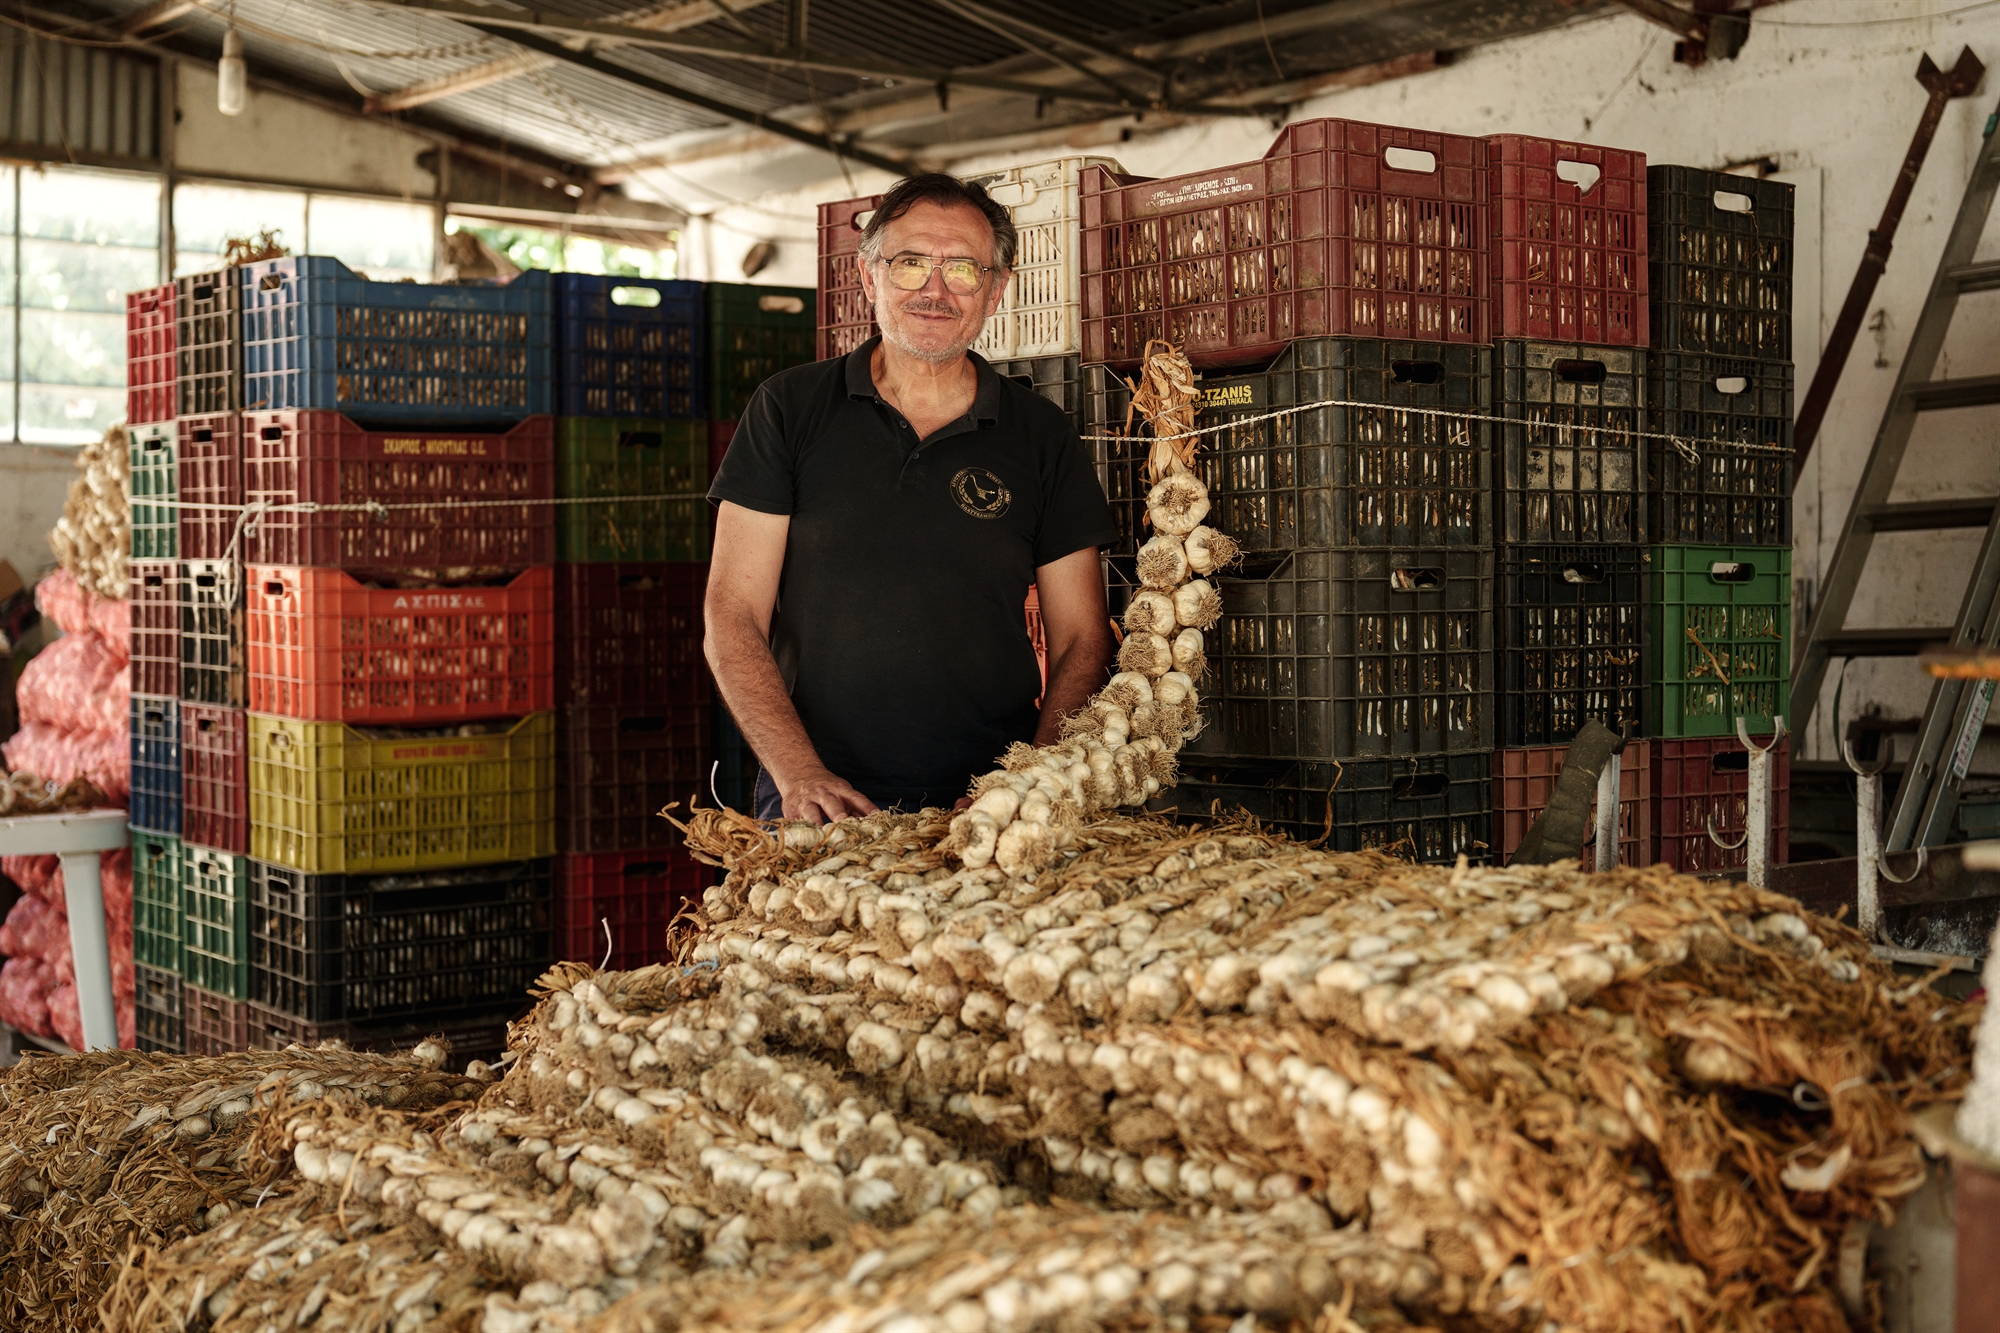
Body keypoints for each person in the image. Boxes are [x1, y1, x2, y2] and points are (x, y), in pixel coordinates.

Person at [705, 172, 1118, 823]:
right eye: (909, 264)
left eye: (962, 268)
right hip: (818, 803)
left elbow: (1082, 639)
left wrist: (1028, 785)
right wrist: (799, 772)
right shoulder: (788, 409)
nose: (934, 289)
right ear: (869, 278)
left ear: (997, 290)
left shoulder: (1041, 436)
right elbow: (732, 616)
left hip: (987, 810)